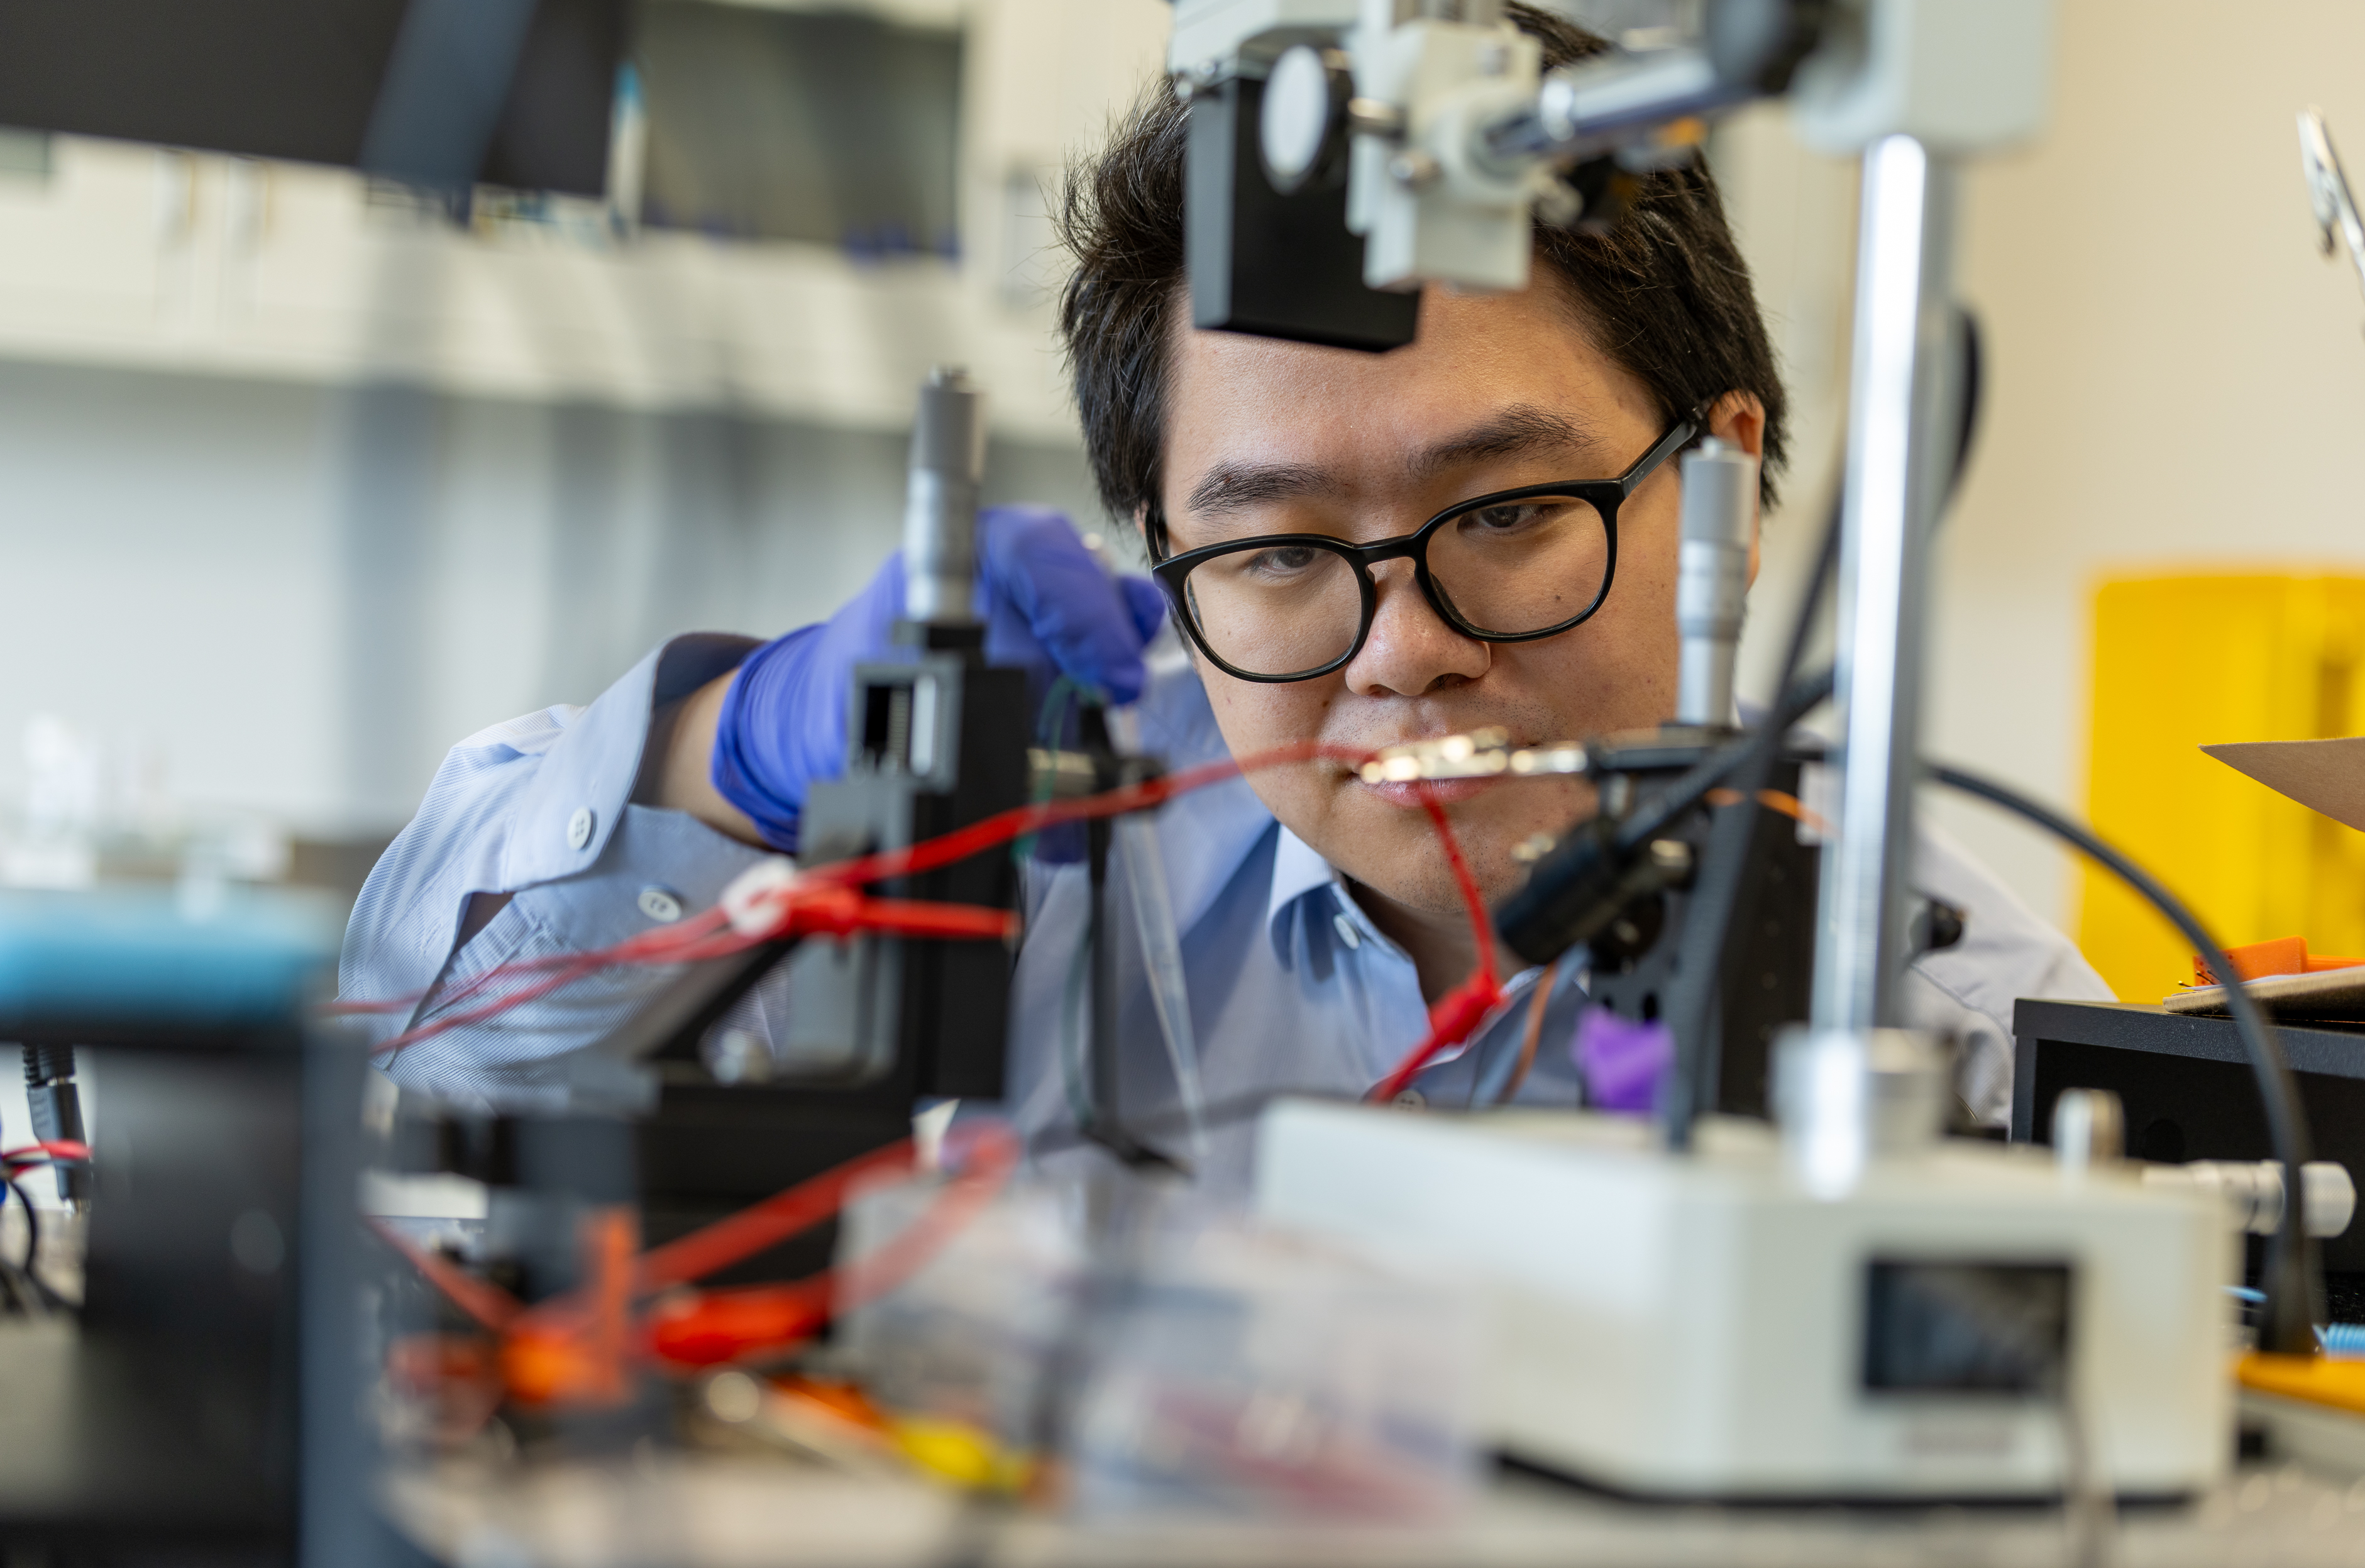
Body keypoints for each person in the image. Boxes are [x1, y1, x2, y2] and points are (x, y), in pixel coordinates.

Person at [339, 4, 2108, 1186]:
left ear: (1719, 473)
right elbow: (421, 1058)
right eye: (1275, 553)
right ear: (1155, 550)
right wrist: (738, 748)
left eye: (1505, 513)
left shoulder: (1946, 1030)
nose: (1407, 648)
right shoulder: (1039, 864)